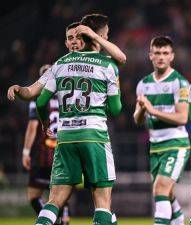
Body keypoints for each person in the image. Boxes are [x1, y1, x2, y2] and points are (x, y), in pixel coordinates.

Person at [34, 14, 122, 225]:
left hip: (65, 137)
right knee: (102, 201)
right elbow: (116, 110)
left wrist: (45, 122)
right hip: (95, 135)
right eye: (106, 35)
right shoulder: (108, 65)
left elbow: (39, 102)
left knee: (54, 200)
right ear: (99, 36)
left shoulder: (60, 63)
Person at [133, 36, 190, 225]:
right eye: (157, 53)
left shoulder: (180, 83)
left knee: (161, 189)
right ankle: (179, 220)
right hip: (155, 145)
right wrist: (142, 108)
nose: (161, 57)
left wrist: (151, 110)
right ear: (150, 55)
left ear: (172, 56)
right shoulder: (143, 84)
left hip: (176, 143)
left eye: (165, 53)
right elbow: (137, 118)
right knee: (167, 192)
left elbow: (182, 117)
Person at [7, 20, 126, 101]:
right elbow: (31, 91)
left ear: (85, 41)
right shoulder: (59, 66)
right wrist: (18, 89)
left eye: (78, 37)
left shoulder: (100, 63)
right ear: (66, 43)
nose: (74, 41)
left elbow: (121, 58)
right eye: (70, 38)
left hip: (94, 130)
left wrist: (94, 36)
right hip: (68, 132)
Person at [23, 64, 69, 225]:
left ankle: (51, 220)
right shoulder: (67, 96)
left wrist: (26, 151)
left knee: (34, 195)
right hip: (64, 151)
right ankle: (64, 219)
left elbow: (32, 126)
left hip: (44, 153)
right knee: (60, 192)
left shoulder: (40, 97)